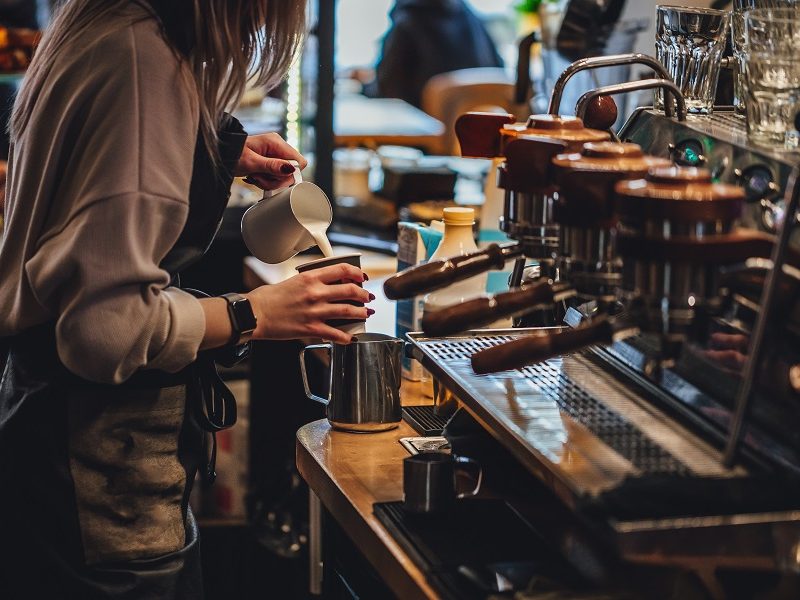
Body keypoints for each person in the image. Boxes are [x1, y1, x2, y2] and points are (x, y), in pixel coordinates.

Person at [0, 1, 371, 598]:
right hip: (96, 475)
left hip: (41, 431)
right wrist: (257, 313)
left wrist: (217, 150)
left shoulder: (107, 22)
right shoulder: (143, 62)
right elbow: (105, 330)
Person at [364, 0, 504, 108]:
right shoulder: (472, 18)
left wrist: (363, 86)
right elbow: (499, 70)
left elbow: (387, 91)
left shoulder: (408, 20)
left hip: (426, 139)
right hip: (481, 138)